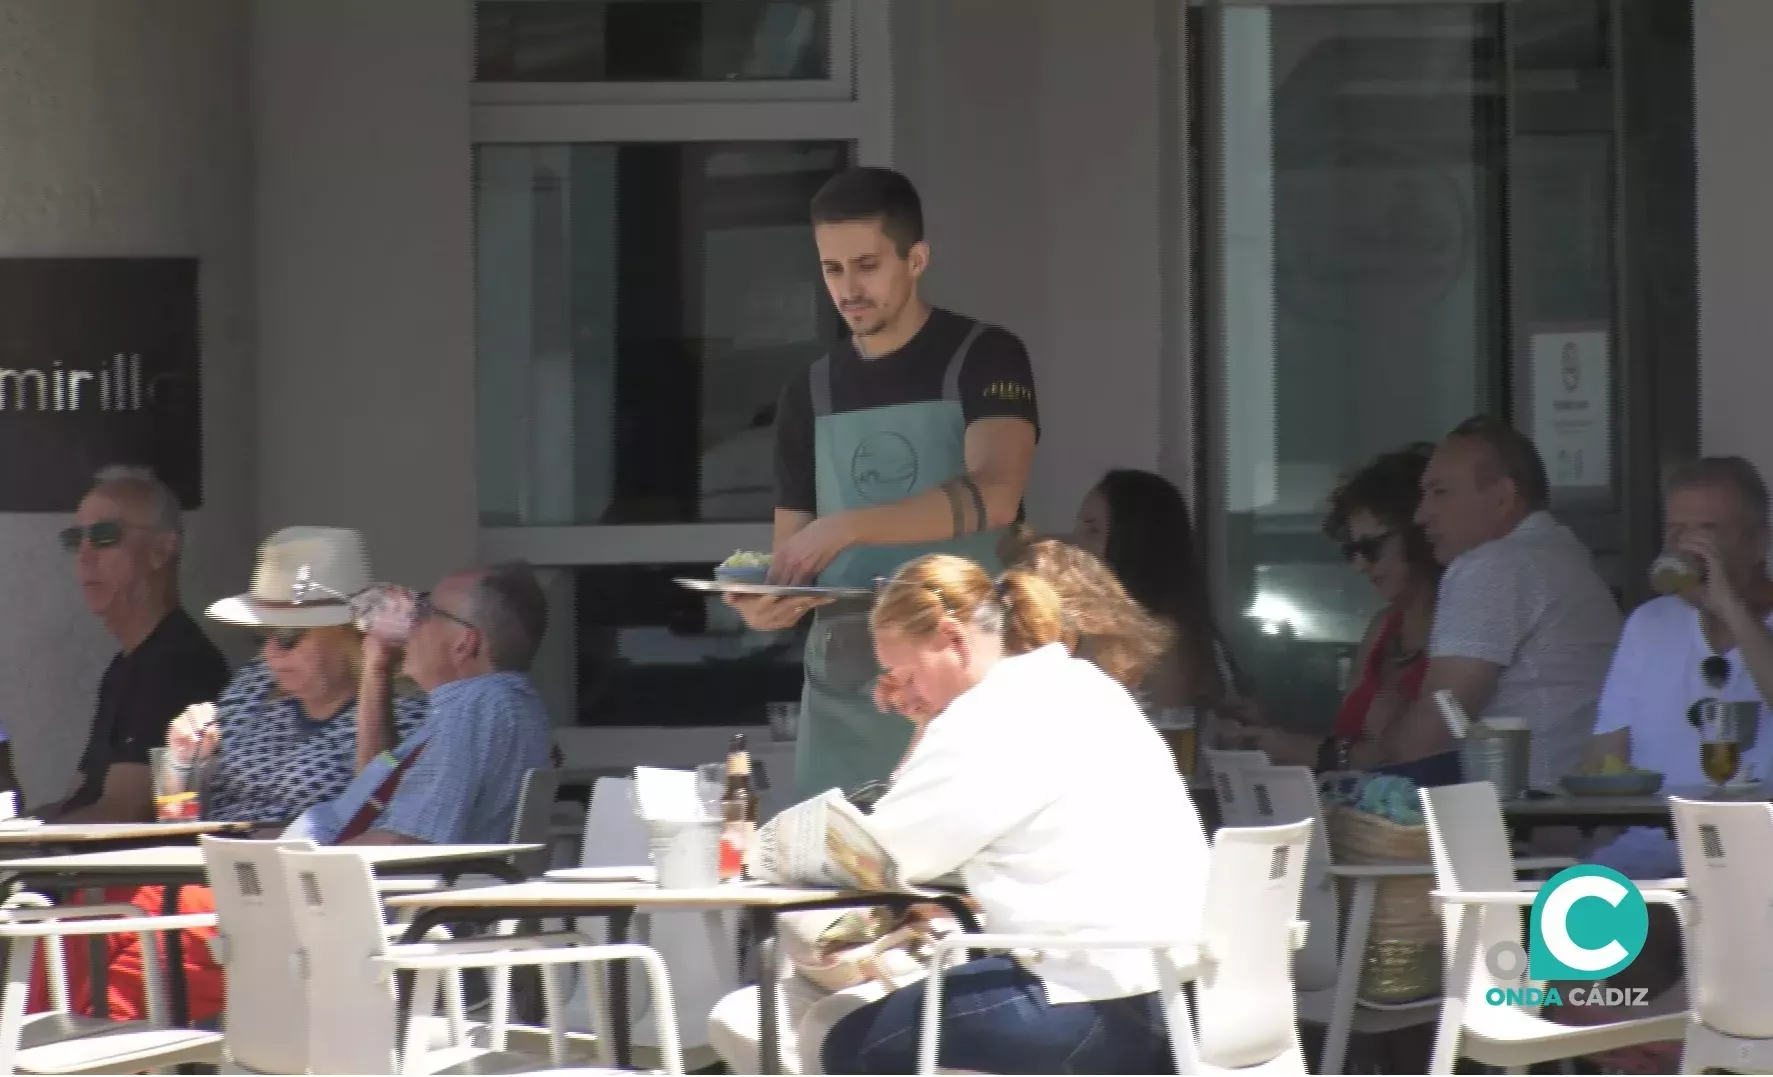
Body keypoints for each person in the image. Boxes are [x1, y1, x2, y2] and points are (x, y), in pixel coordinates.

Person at [708, 541, 1179, 1074]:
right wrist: (930, 716)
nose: (899, 691)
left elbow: (883, 858)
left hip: (1081, 1001)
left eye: (906, 674)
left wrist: (769, 852)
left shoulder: (984, 714)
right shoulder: (1082, 683)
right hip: (1169, 996)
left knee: (844, 1040)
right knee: (845, 1017)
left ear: (954, 640)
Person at [35, 561, 554, 1025]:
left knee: (136, 922)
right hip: (327, 898)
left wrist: (279, 866)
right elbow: (382, 796)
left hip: (339, 919)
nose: (411, 621)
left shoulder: (474, 706)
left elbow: (410, 845)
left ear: (464, 643)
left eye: (426, 610)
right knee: (97, 911)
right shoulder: (471, 707)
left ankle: (75, 1055)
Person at [726, 166, 1040, 800]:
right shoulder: (808, 391)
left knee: (956, 886)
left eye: (867, 265)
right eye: (832, 269)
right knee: (831, 888)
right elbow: (795, 556)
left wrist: (849, 524)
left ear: (916, 258)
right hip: (845, 681)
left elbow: (996, 492)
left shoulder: (984, 356)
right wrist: (766, 601)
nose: (849, 288)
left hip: (964, 669)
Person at [1557, 458, 1773, 1074]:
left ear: (1757, 540)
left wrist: (1731, 608)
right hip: (1654, 853)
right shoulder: (1649, 626)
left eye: (1708, 531)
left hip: (1761, 867)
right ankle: (1620, 1057)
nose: (1690, 547)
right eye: (1678, 532)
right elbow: (1604, 760)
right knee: (1578, 901)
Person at [1358, 417, 1620, 787]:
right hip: (1575, 811)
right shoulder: (1562, 553)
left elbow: (1423, 742)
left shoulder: (1493, 566)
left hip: (1528, 823)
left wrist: (1387, 726)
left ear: (1502, 498)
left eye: (1440, 492)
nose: (1421, 515)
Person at [178, 526, 429, 826]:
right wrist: (184, 761)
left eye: (287, 636)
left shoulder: (403, 713)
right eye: (261, 636)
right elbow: (184, 805)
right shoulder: (253, 686)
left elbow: (380, 810)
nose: (270, 653)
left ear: (349, 635)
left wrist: (376, 675)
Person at [1236, 446, 1446, 778]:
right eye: (1352, 552)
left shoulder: (1461, 628)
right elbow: (1351, 744)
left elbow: (1408, 754)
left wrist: (1301, 749)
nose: (1361, 565)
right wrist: (1271, 733)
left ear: (1418, 532)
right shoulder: (1383, 628)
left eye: (1371, 549)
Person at [41, 466, 228, 822]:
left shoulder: (179, 663)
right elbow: (80, 796)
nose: (84, 555)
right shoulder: (124, 666)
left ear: (162, 549)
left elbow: (124, 813)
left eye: (104, 536)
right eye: (74, 540)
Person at [1071, 469, 1240, 740]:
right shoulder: (1086, 624)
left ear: (1136, 540)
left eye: (1092, 529)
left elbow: (1167, 745)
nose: (1076, 544)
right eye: (1078, 527)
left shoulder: (1162, 642)